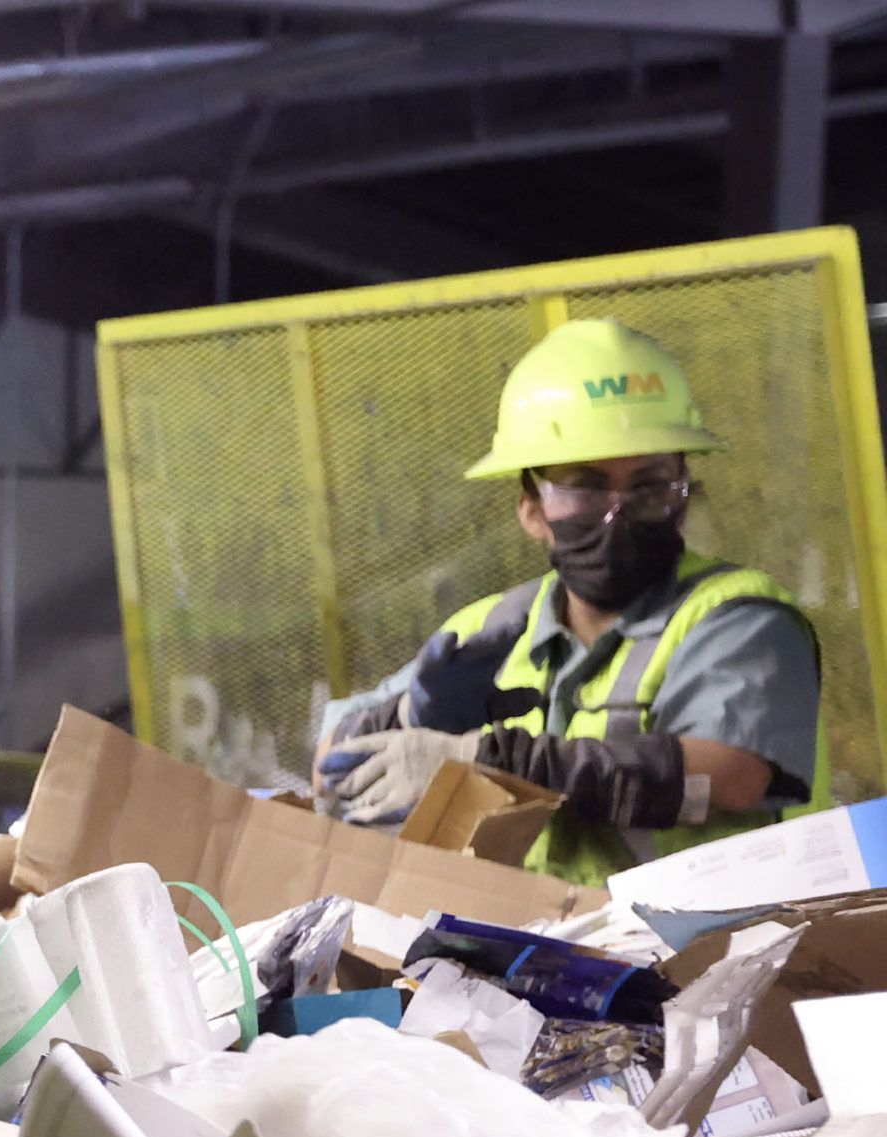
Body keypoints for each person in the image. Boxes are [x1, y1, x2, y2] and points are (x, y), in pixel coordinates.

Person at [315, 318, 822, 885]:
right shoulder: (488, 631)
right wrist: (411, 717)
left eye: (649, 485)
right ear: (531, 509)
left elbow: (730, 776)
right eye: (583, 485)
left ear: (684, 492)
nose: (617, 514)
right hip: (526, 949)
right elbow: (330, 770)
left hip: (694, 954)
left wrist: (491, 761)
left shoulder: (739, 619)